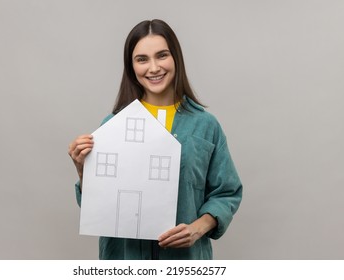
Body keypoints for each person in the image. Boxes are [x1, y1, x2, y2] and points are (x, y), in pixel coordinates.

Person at [68, 19, 242, 260]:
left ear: (175, 59)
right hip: (124, 259)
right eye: (142, 59)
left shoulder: (205, 125)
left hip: (185, 261)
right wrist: (82, 170)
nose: (154, 68)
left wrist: (197, 228)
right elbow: (99, 206)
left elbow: (227, 192)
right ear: (131, 67)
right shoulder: (113, 126)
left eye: (162, 55)